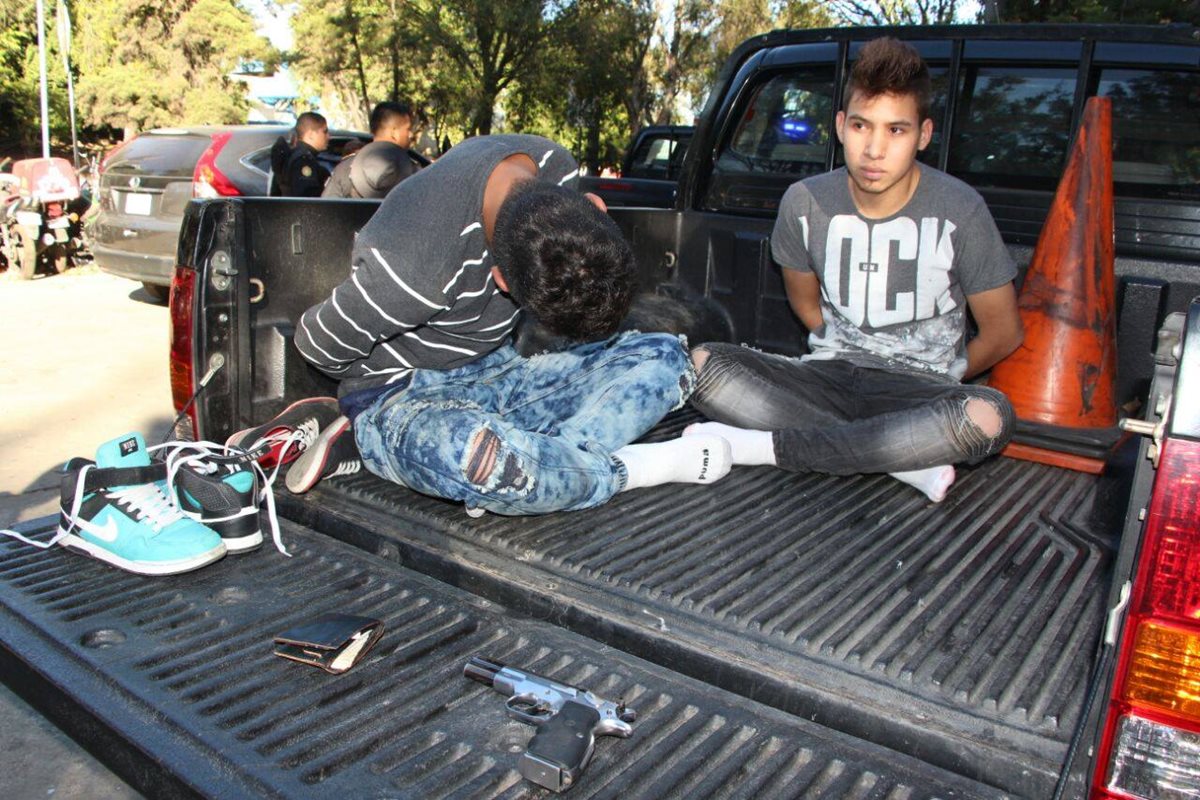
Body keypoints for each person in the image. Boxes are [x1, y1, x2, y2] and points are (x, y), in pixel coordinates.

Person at [277, 134, 731, 514]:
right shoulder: (412, 272)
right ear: (501, 280)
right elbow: (317, 345)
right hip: (405, 393)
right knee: (487, 463)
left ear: (593, 205)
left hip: (502, 371)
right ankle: (623, 469)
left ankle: (550, 463)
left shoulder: (555, 166)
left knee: (667, 356)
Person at [683, 37, 1024, 503]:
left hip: (919, 390)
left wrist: (945, 372)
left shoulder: (960, 209)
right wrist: (843, 355)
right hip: (828, 377)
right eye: (862, 125)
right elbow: (806, 304)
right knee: (701, 366)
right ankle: (904, 462)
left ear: (923, 135)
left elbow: (1003, 332)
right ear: (841, 125)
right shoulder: (804, 202)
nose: (875, 149)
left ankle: (763, 447)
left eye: (896, 131)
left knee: (988, 418)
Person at [323, 101, 420, 199]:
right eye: (408, 129)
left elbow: (326, 209)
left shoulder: (344, 168)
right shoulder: (413, 172)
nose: (411, 135)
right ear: (394, 132)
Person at [282, 112, 331, 197]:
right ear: (311, 134)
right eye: (325, 132)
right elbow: (308, 198)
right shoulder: (303, 160)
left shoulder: (293, 155)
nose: (328, 136)